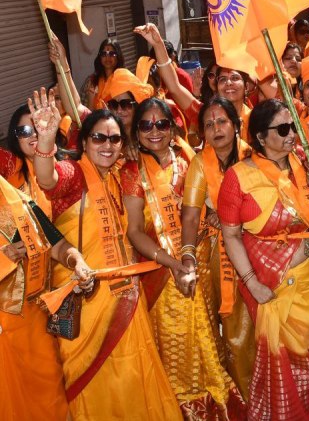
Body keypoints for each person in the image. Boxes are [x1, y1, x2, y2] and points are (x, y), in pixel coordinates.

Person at [29, 94, 182, 420]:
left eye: (114, 138)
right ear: (84, 141)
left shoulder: (120, 177)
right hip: (86, 301)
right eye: (99, 137)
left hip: (126, 297)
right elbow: (48, 179)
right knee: (98, 386)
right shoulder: (73, 175)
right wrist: (45, 141)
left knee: (135, 377)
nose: (108, 145)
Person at [121, 97, 243, 416]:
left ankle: (216, 401)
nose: (155, 131)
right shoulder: (133, 170)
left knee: (207, 332)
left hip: (200, 258)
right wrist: (173, 262)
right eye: (145, 125)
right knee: (177, 345)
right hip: (161, 268)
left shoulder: (190, 159)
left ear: (173, 127)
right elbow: (134, 231)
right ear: (136, 132)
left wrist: (215, 215)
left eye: (161, 123)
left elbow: (214, 197)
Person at [218, 99, 309, 420]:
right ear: (259, 137)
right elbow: (231, 235)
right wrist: (251, 282)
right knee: (281, 359)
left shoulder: (303, 166)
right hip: (269, 281)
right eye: (283, 129)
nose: (292, 134)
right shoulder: (237, 177)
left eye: (294, 126)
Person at [0, 172, 92, 420]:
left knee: (51, 398)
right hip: (4, 334)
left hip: (34, 325)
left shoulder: (18, 202)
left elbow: (58, 245)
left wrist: (77, 262)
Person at [181, 96, 255, 400]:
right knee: (235, 329)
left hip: (259, 244)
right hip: (221, 251)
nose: (216, 128)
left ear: (236, 125)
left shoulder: (254, 154)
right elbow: (189, 212)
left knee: (266, 324)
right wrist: (187, 254)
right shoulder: (200, 163)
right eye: (209, 124)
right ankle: (248, 397)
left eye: (222, 121)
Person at [81, 38, 125, 109]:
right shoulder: (91, 81)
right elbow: (85, 115)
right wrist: (91, 98)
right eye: (103, 54)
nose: (107, 57)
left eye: (112, 54)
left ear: (118, 56)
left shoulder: (124, 80)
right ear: (99, 57)